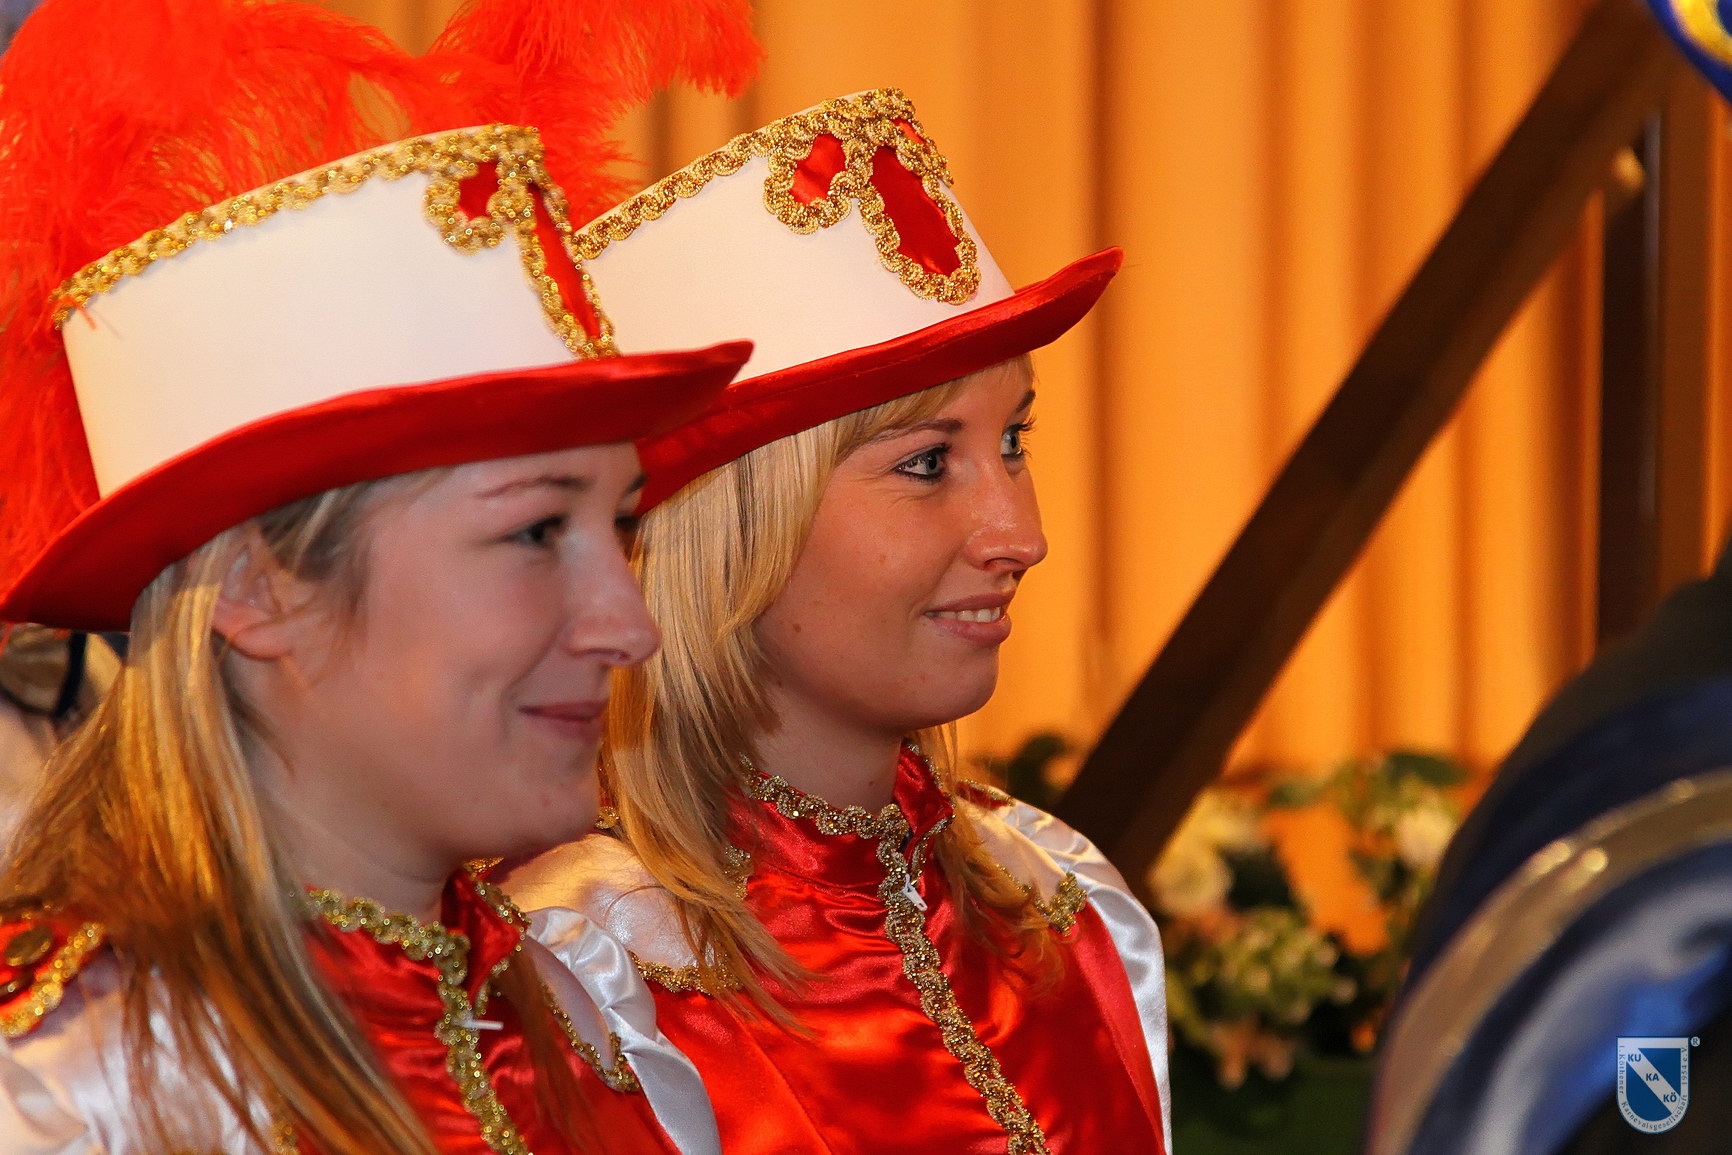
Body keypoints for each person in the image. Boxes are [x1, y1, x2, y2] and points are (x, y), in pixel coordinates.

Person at [0, 0, 756, 1151]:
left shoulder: (595, 1014)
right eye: (534, 532)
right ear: (256, 585)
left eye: (623, 528)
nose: (629, 624)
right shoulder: (66, 1096)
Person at [507, 90, 1171, 1154]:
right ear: (730, 529)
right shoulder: (588, 977)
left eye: (1014, 442)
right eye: (927, 462)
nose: (1022, 534)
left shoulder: (1066, 903)